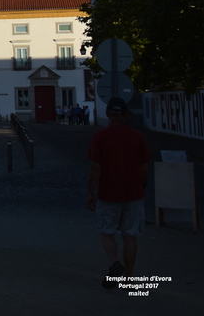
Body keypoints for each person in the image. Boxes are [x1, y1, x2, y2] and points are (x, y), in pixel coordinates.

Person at [85, 97, 151, 286]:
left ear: (108, 115)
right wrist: (141, 186)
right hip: (134, 192)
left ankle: (115, 263)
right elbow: (145, 167)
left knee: (107, 233)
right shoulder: (137, 136)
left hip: (108, 192)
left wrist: (90, 192)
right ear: (125, 115)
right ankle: (129, 278)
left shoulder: (100, 137)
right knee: (130, 236)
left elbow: (95, 168)